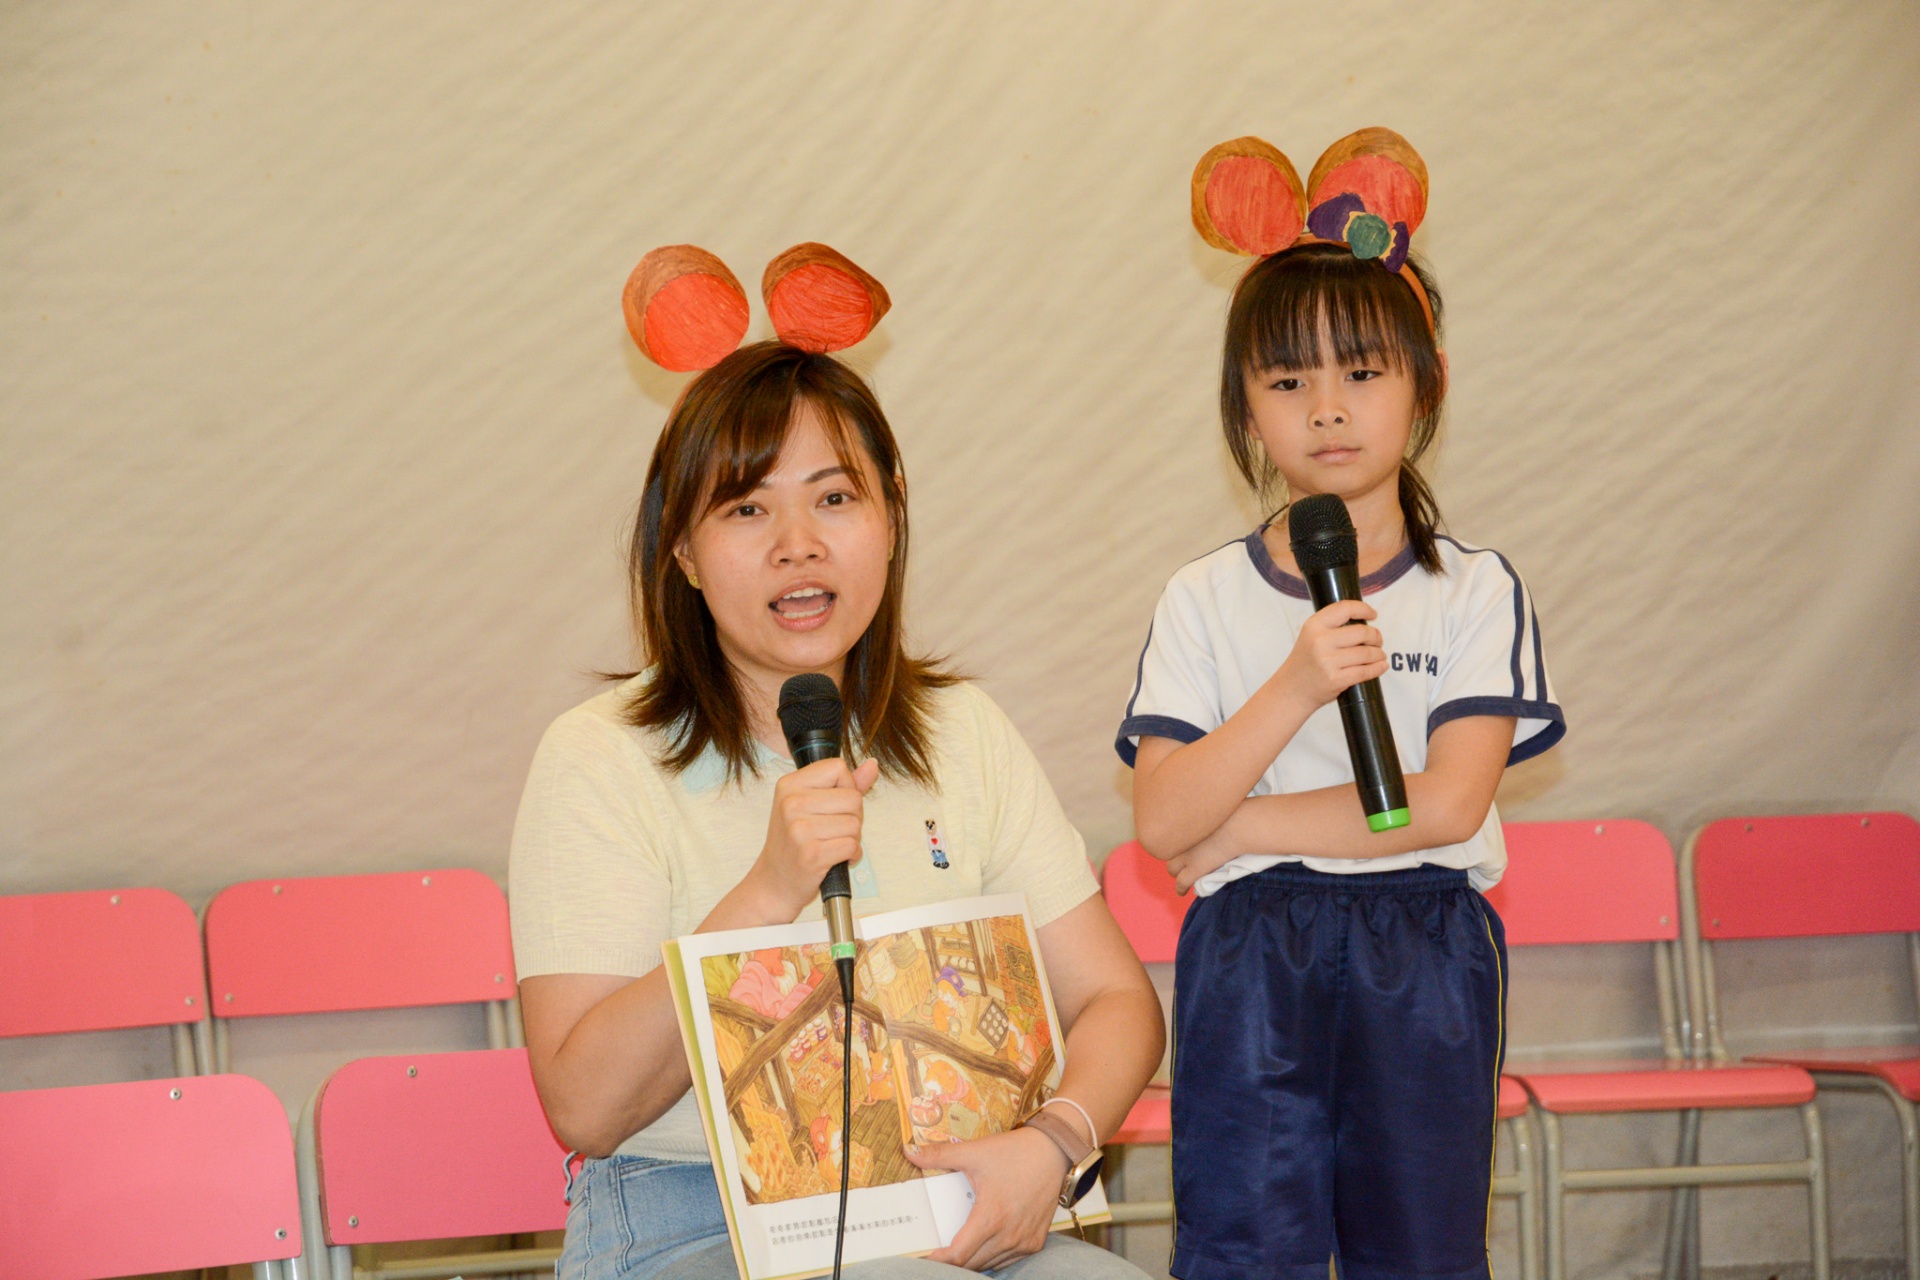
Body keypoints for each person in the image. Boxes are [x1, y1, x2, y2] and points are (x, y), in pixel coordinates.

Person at [511, 328, 1164, 1280]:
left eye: (834, 498)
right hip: (689, 1224)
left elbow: (1116, 1000)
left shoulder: (961, 730)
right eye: (747, 509)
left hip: (952, 1207)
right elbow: (585, 1107)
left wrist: (1053, 1141)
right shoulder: (600, 755)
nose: (799, 545)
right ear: (683, 550)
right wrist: (769, 889)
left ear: (891, 514)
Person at [1121, 131, 1565, 1280]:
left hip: (1422, 945)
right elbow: (1161, 818)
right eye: (1288, 382)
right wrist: (1296, 684)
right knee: (1243, 1245)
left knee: (1419, 1247)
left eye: (1361, 373)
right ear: (1245, 406)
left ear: (1427, 382)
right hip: (1250, 951)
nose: (1327, 409)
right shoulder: (1204, 596)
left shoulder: (1475, 588)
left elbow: (1444, 805)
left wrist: (1240, 825)